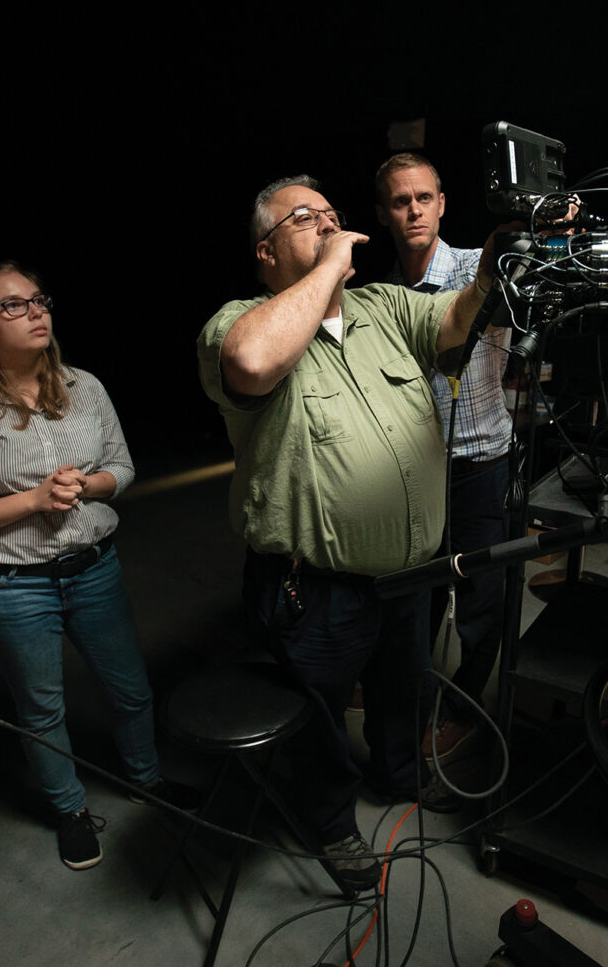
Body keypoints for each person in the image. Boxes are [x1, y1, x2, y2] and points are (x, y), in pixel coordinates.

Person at [197, 175, 497, 889]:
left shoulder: (384, 306)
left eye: (333, 216)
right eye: (306, 219)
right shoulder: (236, 322)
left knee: (403, 690)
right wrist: (331, 264)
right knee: (320, 715)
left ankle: (398, 774)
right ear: (266, 252)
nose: (330, 225)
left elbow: (453, 324)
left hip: (408, 575)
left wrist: (489, 268)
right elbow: (252, 363)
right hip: (316, 585)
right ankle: (331, 823)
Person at [0, 261, 198, 871]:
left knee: (130, 689)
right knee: (41, 706)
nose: (36, 312)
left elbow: (123, 470)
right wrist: (31, 499)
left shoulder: (85, 386)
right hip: (10, 584)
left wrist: (90, 483)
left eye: (40, 301)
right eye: (14, 306)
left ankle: (146, 781)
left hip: (93, 568)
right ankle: (71, 811)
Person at [375, 153, 512, 762]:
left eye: (423, 198)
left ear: (442, 203)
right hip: (415, 470)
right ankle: (401, 696)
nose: (413, 211)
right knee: (413, 595)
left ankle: (462, 711)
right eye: (401, 201)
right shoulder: (379, 293)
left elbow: (512, 284)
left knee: (482, 601)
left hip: (481, 463)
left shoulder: (477, 269)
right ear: (383, 214)